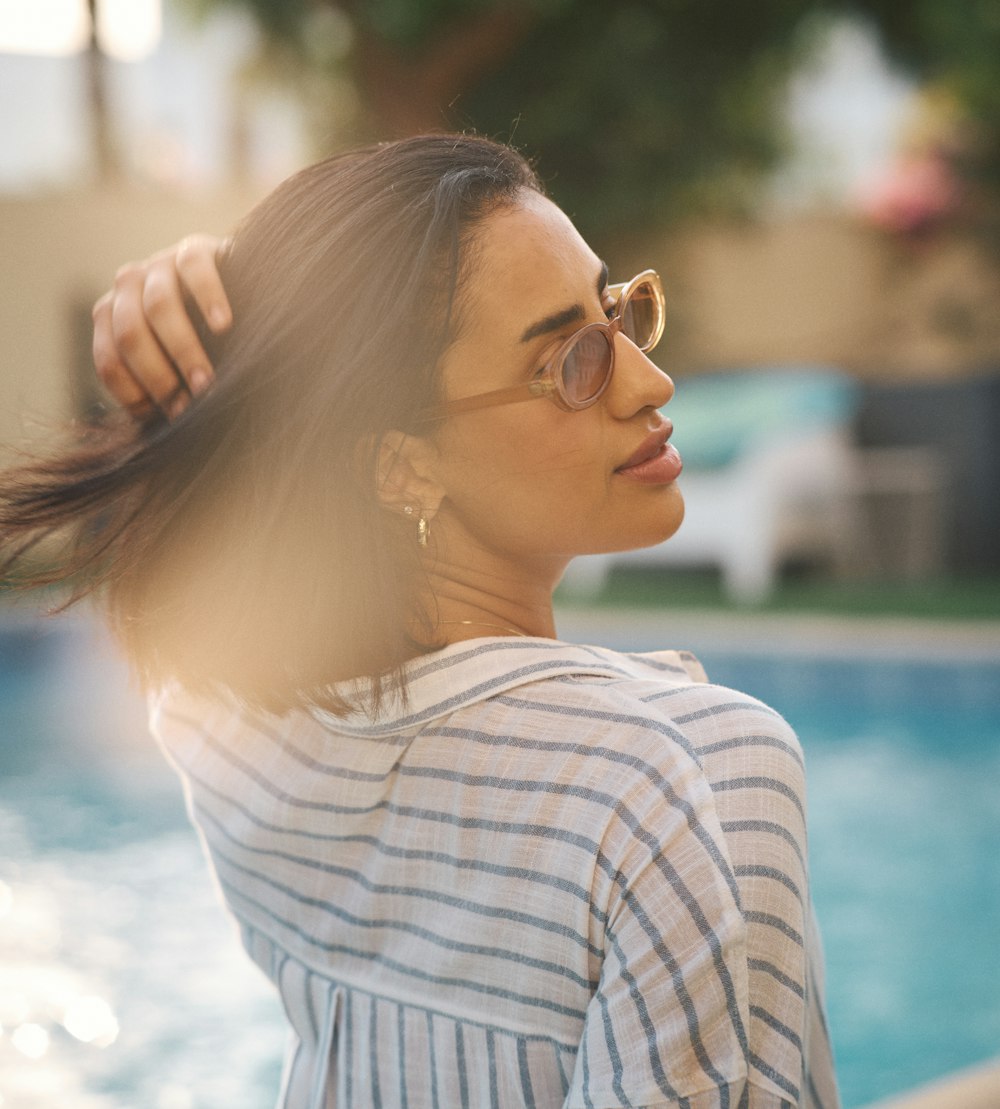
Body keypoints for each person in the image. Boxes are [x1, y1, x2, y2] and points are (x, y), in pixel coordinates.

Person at [1, 135, 839, 1107]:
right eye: (573, 361)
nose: (650, 384)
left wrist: (205, 329)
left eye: (620, 314)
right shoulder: (689, 768)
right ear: (401, 466)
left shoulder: (236, 730)